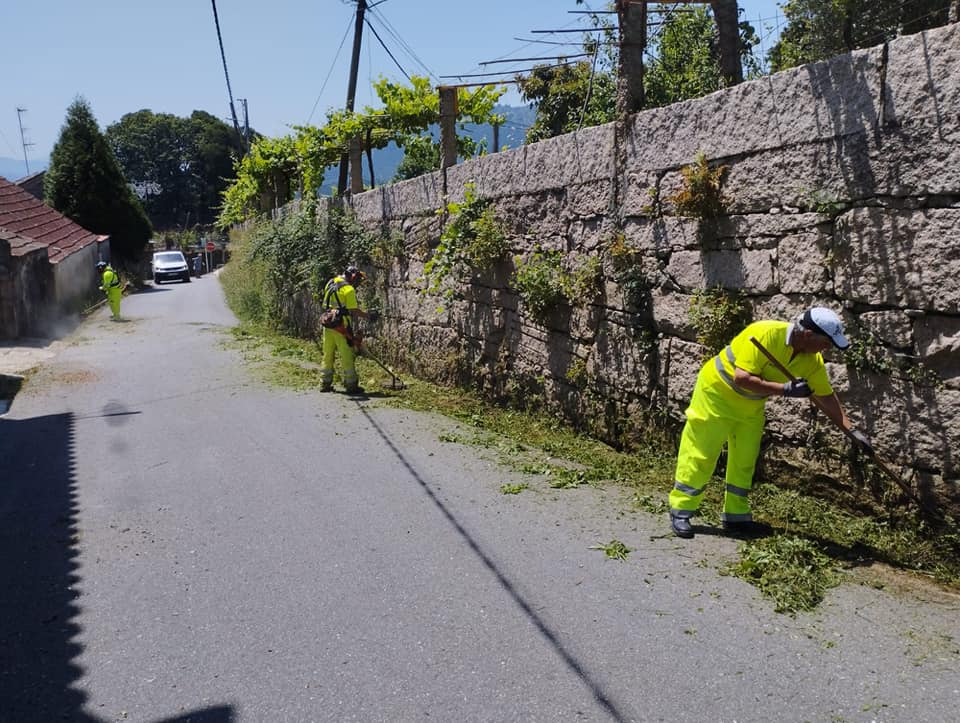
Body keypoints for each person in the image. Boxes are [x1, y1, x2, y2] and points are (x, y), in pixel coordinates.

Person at [668, 306, 871, 538]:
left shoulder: (812, 361)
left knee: (745, 458)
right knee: (702, 452)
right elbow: (741, 378)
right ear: (808, 335)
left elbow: (825, 396)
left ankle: (736, 517)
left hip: (751, 404)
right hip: (717, 394)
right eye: (826, 343)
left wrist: (852, 431)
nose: (827, 348)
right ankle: (681, 509)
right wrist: (784, 389)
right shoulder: (765, 333)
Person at [319, 265, 378, 394]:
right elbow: (353, 310)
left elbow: (327, 303)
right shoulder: (349, 289)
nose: (357, 283)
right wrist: (368, 316)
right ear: (353, 277)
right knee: (347, 354)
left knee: (328, 354)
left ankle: (324, 383)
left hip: (328, 322)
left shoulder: (330, 282)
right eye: (357, 280)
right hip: (342, 325)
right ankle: (351, 385)